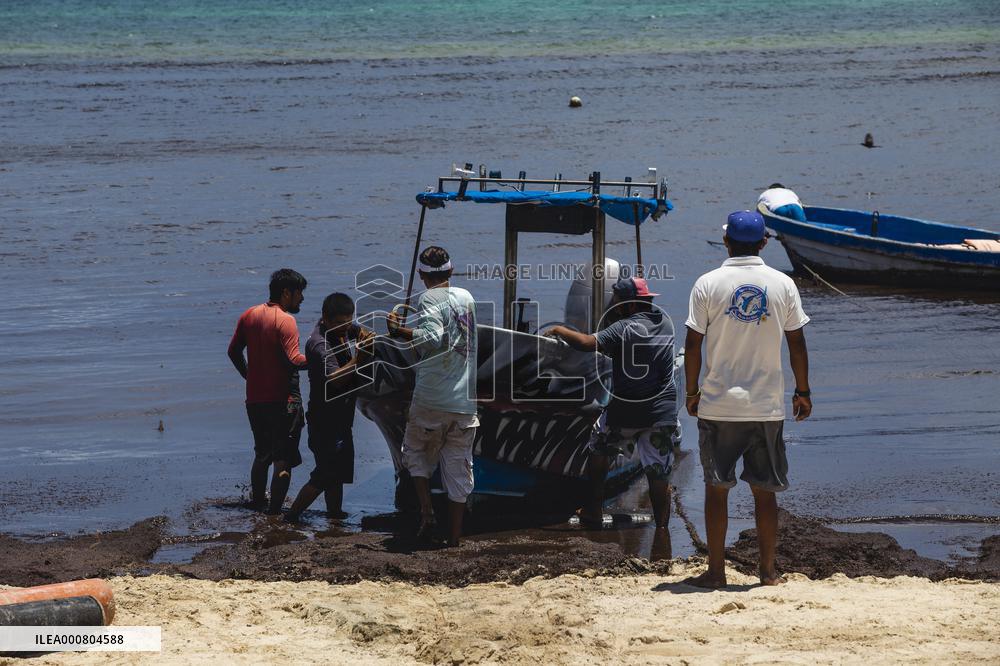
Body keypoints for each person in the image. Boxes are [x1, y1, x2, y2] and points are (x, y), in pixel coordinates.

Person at [683, 211, 812, 588]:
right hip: (766, 405)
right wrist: (802, 391)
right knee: (765, 492)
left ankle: (717, 571)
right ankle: (768, 572)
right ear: (764, 243)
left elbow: (693, 343)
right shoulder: (782, 283)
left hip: (719, 405)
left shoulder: (708, 283)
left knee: (716, 489)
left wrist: (691, 392)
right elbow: (797, 342)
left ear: (726, 242)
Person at [546, 276, 678, 544]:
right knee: (658, 472)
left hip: (626, 412)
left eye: (617, 302)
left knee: (598, 445)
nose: (613, 306)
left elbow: (585, 343)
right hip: (662, 412)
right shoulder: (664, 323)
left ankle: (593, 511)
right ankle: (662, 530)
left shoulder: (623, 328)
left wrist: (559, 330)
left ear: (628, 305)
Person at [387, 246, 477, 547]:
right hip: (464, 401)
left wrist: (402, 333)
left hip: (431, 398)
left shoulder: (427, 297)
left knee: (414, 454)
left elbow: (432, 338)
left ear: (422, 275)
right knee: (458, 468)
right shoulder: (467, 298)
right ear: (451, 272)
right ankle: (454, 538)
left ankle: (426, 513)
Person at [285, 293, 375, 523]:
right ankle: (292, 515)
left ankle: (334, 514)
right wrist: (359, 357)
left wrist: (364, 334)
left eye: (348, 321)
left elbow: (356, 330)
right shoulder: (319, 344)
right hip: (325, 421)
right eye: (339, 323)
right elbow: (335, 378)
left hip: (341, 418)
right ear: (325, 318)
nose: (345, 328)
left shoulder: (342, 328)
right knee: (324, 474)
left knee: (337, 473)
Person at [228, 269, 309, 515]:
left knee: (262, 454)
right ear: (286, 293)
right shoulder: (286, 320)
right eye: (299, 294)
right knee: (282, 458)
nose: (302, 299)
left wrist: (248, 375)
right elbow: (294, 360)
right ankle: (274, 513)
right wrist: (320, 359)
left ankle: (257, 504)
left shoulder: (249, 315)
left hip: (255, 399)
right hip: (283, 401)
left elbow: (233, 351)